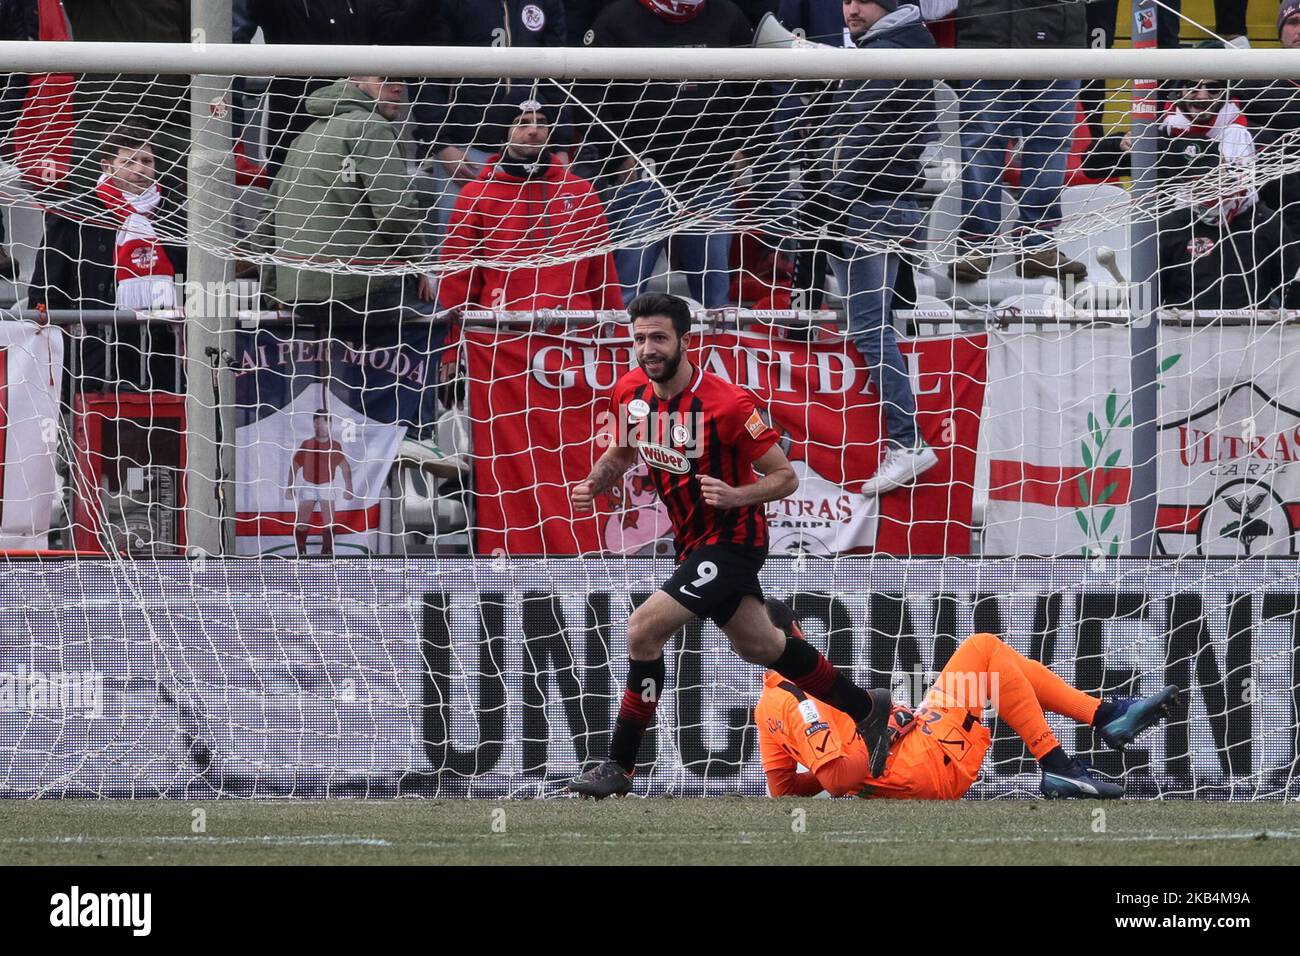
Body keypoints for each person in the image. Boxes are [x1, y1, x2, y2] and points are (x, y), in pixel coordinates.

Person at [565, 292, 895, 798]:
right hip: (692, 543)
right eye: (639, 339)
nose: (647, 349)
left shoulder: (729, 404)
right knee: (761, 646)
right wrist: (596, 480)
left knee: (642, 631)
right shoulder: (632, 392)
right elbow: (623, 450)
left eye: (658, 338)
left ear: (685, 341)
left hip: (733, 542)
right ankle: (868, 709)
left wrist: (737, 494)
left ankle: (619, 766)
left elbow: (784, 478)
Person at [755, 599, 1179, 799]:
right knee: (984, 646)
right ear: (797, 633)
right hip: (923, 761)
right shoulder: (802, 693)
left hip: (912, 770)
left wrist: (866, 763)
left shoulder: (767, 705)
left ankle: (1105, 715)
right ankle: (1059, 764)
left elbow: (786, 788)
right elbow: (839, 779)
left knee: (1001, 667)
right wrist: (884, 732)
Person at [805, 0, 939, 495]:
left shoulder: (887, 55)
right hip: (884, 202)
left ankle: (908, 442)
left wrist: (830, 201)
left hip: (869, 205)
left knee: (868, 327)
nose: (850, 9)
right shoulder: (899, 45)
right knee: (879, 319)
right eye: (845, 0)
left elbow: (862, 141)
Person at [579, 0, 757, 309]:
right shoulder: (616, 17)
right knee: (625, 293)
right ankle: (619, 352)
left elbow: (754, 88)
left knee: (714, 300)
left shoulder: (728, 14)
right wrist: (616, 155)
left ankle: (713, 354)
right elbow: (588, 97)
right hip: (642, 181)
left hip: (710, 177)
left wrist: (741, 143)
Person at [256, 76, 435, 330]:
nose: (398, 88)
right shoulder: (373, 127)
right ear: (356, 82)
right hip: (362, 288)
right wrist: (420, 264)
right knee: (444, 319)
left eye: (402, 80)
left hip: (298, 294)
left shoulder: (304, 137)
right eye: (385, 79)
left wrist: (273, 293)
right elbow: (395, 211)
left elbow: (266, 220)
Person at [949, 0, 1090, 283]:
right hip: (989, 36)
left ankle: (1036, 244)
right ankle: (977, 244)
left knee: (1050, 142)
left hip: (1057, 38)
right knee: (983, 142)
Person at [437, 101, 623, 315]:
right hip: (500, 332)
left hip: (571, 330)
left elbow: (602, 271)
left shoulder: (580, 191)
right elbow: (458, 272)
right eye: (522, 123)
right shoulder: (475, 195)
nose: (533, 130)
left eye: (541, 123)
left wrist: (613, 325)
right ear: (504, 133)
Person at [285, 409, 354, 557]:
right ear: (314, 424)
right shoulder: (307, 444)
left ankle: (327, 551)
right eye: (317, 422)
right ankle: (301, 551)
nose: (320, 425)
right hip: (309, 486)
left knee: (329, 522)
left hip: (326, 486)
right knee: (302, 520)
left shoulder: (335, 446)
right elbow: (294, 466)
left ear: (329, 424)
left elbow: (345, 468)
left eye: (324, 422)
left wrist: (349, 488)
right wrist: (290, 487)